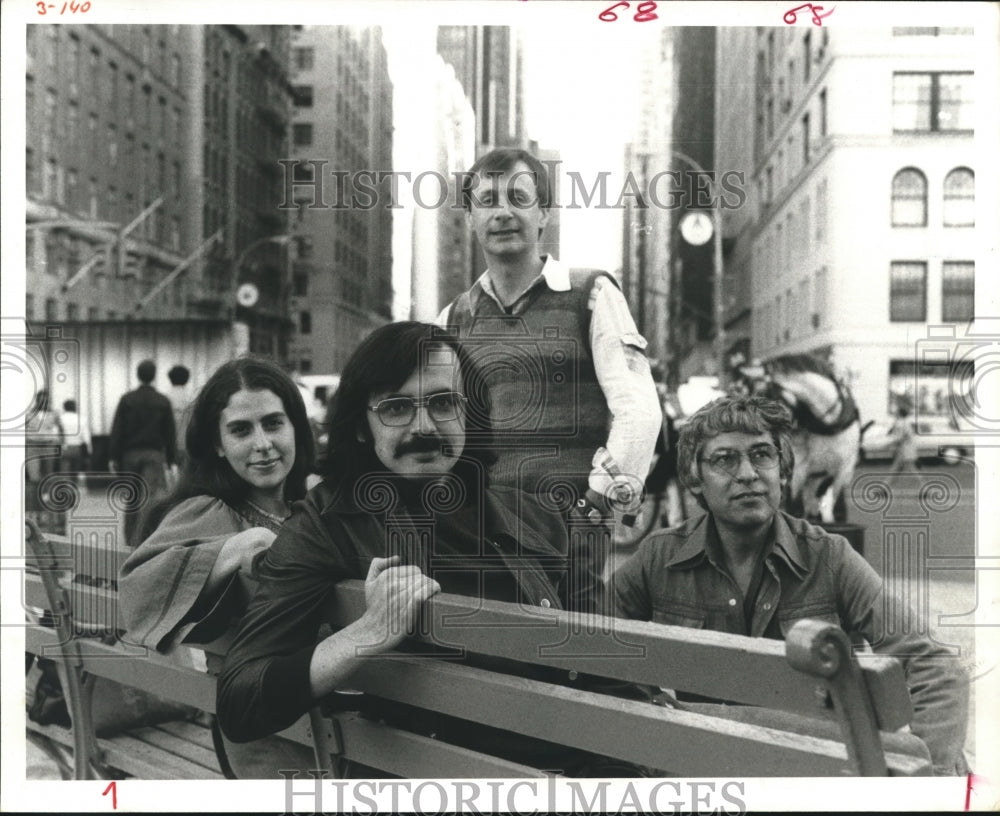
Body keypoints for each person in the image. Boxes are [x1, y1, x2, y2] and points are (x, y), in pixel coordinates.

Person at [217, 322, 647, 777]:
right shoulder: (329, 525)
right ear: (360, 426)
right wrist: (367, 633)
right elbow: (240, 701)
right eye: (396, 407)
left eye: (443, 403)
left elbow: (614, 674)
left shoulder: (542, 517)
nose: (423, 427)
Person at [611, 395, 970, 775]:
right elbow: (596, 646)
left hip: (812, 775)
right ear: (694, 478)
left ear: (782, 470)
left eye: (762, 454)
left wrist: (927, 779)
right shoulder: (659, 557)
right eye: (725, 459)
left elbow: (936, 669)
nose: (747, 473)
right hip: (712, 773)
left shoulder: (828, 557)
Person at [437, 147, 661, 530]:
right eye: (487, 201)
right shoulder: (452, 319)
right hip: (479, 533)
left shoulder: (593, 294)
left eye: (518, 198)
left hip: (567, 538)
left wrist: (594, 504)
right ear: (470, 218)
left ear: (543, 213)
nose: (503, 212)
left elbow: (639, 411)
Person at [119, 357, 318, 777]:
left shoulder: (314, 504)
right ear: (217, 444)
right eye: (241, 430)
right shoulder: (210, 510)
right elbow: (138, 587)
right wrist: (235, 548)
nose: (262, 443)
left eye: (273, 423)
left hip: (324, 728)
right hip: (269, 736)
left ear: (296, 428)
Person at [108, 359, 178, 546]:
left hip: (130, 455)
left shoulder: (127, 399)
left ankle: (129, 538)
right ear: (154, 376)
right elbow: (170, 432)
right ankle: (142, 539)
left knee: (131, 498)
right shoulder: (163, 401)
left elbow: (117, 429)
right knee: (147, 498)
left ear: (137, 375)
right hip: (154, 455)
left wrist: (113, 456)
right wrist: (171, 459)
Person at [167, 364, 193, 471]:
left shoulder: (165, 398)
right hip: (187, 443)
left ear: (170, 378)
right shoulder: (191, 398)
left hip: (169, 444)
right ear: (187, 379)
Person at [59, 399, 91, 481]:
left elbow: (57, 433)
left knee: (64, 471)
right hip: (77, 447)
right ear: (75, 407)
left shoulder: (61, 418)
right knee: (75, 472)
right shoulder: (82, 419)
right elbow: (86, 436)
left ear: (64, 408)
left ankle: (65, 486)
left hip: (65, 447)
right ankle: (73, 485)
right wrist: (89, 449)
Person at [889, 404, 918, 475]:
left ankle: (887, 481)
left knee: (907, 466)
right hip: (904, 447)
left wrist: (893, 443)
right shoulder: (903, 422)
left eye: (896, 412)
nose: (895, 413)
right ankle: (888, 481)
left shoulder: (902, 423)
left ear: (899, 413)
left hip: (904, 447)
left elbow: (904, 435)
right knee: (900, 467)